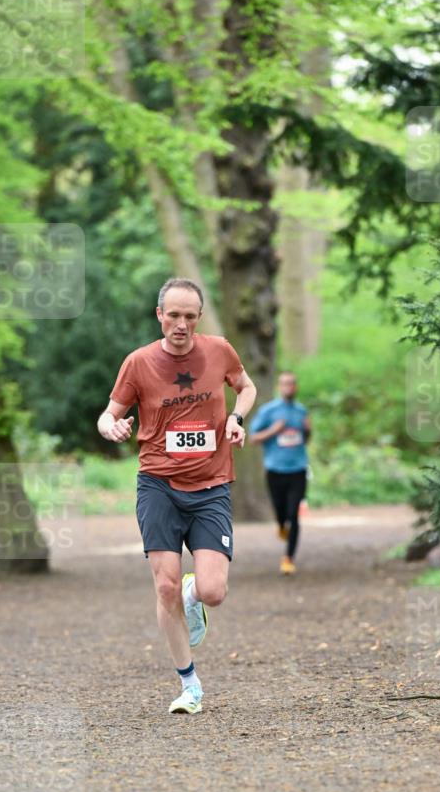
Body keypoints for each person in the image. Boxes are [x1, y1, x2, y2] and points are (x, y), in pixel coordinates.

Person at [97, 277, 256, 716]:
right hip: (158, 485)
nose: (181, 324)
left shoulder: (220, 350)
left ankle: (194, 594)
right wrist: (111, 426)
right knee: (163, 584)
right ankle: (190, 685)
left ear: (199, 318)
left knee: (213, 592)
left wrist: (237, 419)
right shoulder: (138, 363)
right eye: (174, 315)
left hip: (211, 488)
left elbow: (246, 386)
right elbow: (108, 415)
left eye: (190, 316)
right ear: (159, 316)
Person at [249, 371, 311, 575]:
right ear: (279, 387)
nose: (289, 388)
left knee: (294, 514)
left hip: (298, 469)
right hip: (275, 469)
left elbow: (305, 438)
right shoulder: (269, 411)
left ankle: (288, 558)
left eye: (292, 384)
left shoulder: (302, 411)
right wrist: (273, 431)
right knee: (281, 513)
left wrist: (308, 431)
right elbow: (253, 438)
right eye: (285, 384)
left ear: (296, 387)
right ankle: (281, 525)